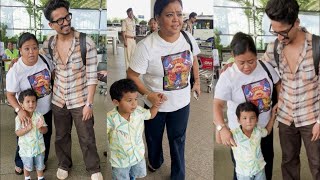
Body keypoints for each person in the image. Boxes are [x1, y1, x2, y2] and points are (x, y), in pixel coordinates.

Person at [127, 0, 201, 179]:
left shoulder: (187, 38)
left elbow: (195, 59)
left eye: (179, 14)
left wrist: (197, 81)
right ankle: (155, 160)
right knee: (153, 139)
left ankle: (178, 174)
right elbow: (132, 75)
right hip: (155, 106)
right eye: (169, 15)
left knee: (178, 140)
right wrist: (148, 95)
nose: (176, 19)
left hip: (182, 103)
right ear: (157, 19)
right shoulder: (146, 46)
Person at [42, 0, 103, 179]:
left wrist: (89, 104)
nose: (66, 22)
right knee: (61, 136)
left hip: (81, 99)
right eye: (60, 20)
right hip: (59, 99)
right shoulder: (49, 44)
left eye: (67, 16)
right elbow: (43, 65)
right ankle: (64, 163)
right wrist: (19, 61)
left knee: (87, 137)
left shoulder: (86, 42)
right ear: (51, 25)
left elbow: (92, 76)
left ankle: (93, 168)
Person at [262, 0, 320, 179]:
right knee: (288, 162)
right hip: (286, 116)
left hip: (312, 118)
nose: (279, 37)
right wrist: (233, 67)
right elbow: (259, 68)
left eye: (283, 32)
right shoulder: (274, 47)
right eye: (274, 30)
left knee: (317, 163)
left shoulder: (317, 47)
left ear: (297, 22)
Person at [213, 32, 280, 180]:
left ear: (257, 55)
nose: (247, 67)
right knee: (243, 171)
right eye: (241, 62)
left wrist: (280, 101)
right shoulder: (228, 76)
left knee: (265, 167)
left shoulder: (265, 67)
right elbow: (217, 105)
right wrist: (222, 128)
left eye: (251, 61)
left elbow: (277, 83)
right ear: (233, 56)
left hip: (263, 131)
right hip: (240, 135)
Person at [6, 32, 53, 176]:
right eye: (26, 48)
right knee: (24, 138)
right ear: (20, 50)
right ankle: (20, 163)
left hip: (46, 110)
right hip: (25, 112)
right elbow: (10, 95)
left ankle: (41, 161)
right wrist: (19, 110)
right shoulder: (16, 70)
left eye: (34, 47)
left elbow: (54, 75)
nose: (31, 52)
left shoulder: (44, 59)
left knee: (44, 136)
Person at [107, 79, 162, 180]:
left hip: (137, 156)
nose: (134, 104)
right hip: (120, 162)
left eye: (136, 99)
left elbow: (150, 115)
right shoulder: (110, 118)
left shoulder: (138, 112)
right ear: (116, 102)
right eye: (129, 100)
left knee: (134, 176)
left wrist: (156, 104)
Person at [232, 102, 276, 180]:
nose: (248, 121)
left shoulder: (258, 130)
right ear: (238, 120)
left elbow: (267, 131)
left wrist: (272, 117)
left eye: (252, 118)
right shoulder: (234, 134)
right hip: (243, 173)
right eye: (244, 118)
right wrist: (220, 127)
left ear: (257, 119)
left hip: (259, 169)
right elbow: (219, 140)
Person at [15, 89, 48, 180]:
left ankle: (40, 177)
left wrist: (41, 128)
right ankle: (27, 177)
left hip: (39, 148)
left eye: (33, 101)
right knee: (27, 165)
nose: (31, 104)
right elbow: (17, 132)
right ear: (21, 104)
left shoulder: (39, 116)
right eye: (28, 101)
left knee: (40, 164)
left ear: (36, 103)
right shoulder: (19, 118)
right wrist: (27, 129)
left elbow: (45, 130)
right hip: (26, 149)